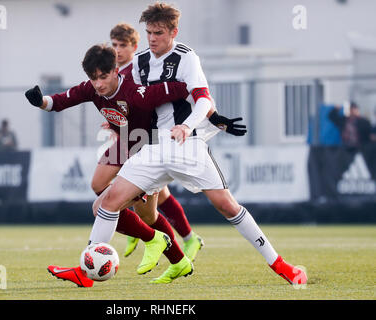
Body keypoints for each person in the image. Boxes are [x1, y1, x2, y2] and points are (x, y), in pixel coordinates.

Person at [90, 2, 307, 285]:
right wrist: (120, 121)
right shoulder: (140, 62)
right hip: (154, 147)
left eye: (158, 33)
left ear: (173, 32)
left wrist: (188, 125)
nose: (152, 38)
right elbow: (134, 101)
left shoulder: (187, 57)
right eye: (149, 33)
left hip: (187, 146)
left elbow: (203, 98)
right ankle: (88, 271)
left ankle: (280, 265)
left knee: (226, 206)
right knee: (103, 204)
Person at [25, 44, 207, 287]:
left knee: (111, 208)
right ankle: (176, 258)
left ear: (115, 71)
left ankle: (148, 244)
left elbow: (184, 89)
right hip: (129, 146)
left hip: (151, 155)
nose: (98, 84)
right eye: (93, 78)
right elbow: (60, 101)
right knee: (122, 202)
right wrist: (41, 101)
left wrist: (208, 110)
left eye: (103, 77)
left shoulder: (134, 91)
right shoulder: (92, 89)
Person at [96, 23, 206, 261]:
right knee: (99, 185)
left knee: (151, 202)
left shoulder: (141, 67)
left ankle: (180, 242)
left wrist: (208, 115)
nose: (117, 50)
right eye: (113, 45)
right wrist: (113, 119)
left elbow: (168, 95)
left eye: (122, 45)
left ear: (135, 47)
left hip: (147, 139)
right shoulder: (115, 72)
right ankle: (141, 227)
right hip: (129, 138)